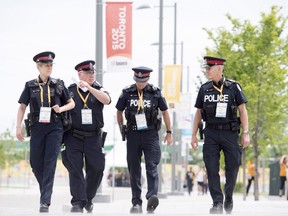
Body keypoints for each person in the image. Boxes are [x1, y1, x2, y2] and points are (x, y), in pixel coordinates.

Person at [16, 51, 75, 213]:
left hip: (55, 127)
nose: (49, 68)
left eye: (51, 65)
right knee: (35, 163)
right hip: (36, 128)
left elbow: (72, 104)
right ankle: (45, 190)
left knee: (50, 163)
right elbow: (22, 107)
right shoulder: (30, 85)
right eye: (46, 65)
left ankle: (45, 202)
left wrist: (60, 108)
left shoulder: (59, 84)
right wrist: (17, 127)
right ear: (38, 66)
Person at [190, 56, 250, 214]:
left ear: (219, 68)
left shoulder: (233, 87)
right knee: (211, 167)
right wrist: (193, 135)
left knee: (233, 166)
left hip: (230, 132)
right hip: (210, 132)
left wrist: (245, 133)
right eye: (206, 68)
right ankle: (217, 201)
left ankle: (228, 195)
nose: (206, 71)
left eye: (209, 68)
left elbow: (242, 110)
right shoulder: (204, 89)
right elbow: (198, 112)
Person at [115, 66, 173, 214]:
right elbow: (119, 111)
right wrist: (122, 127)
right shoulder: (127, 92)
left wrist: (169, 132)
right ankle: (136, 202)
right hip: (133, 134)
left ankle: (152, 196)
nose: (140, 83)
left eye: (143, 81)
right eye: (138, 80)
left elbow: (165, 112)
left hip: (150, 134)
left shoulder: (155, 93)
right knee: (134, 168)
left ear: (147, 79)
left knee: (151, 165)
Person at [61, 60, 111, 213]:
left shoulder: (98, 89)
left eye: (93, 72)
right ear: (79, 74)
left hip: (93, 137)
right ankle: (77, 202)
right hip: (73, 136)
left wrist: (90, 87)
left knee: (97, 169)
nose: (92, 74)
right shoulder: (69, 91)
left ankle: (88, 199)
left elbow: (107, 100)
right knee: (75, 169)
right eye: (88, 72)